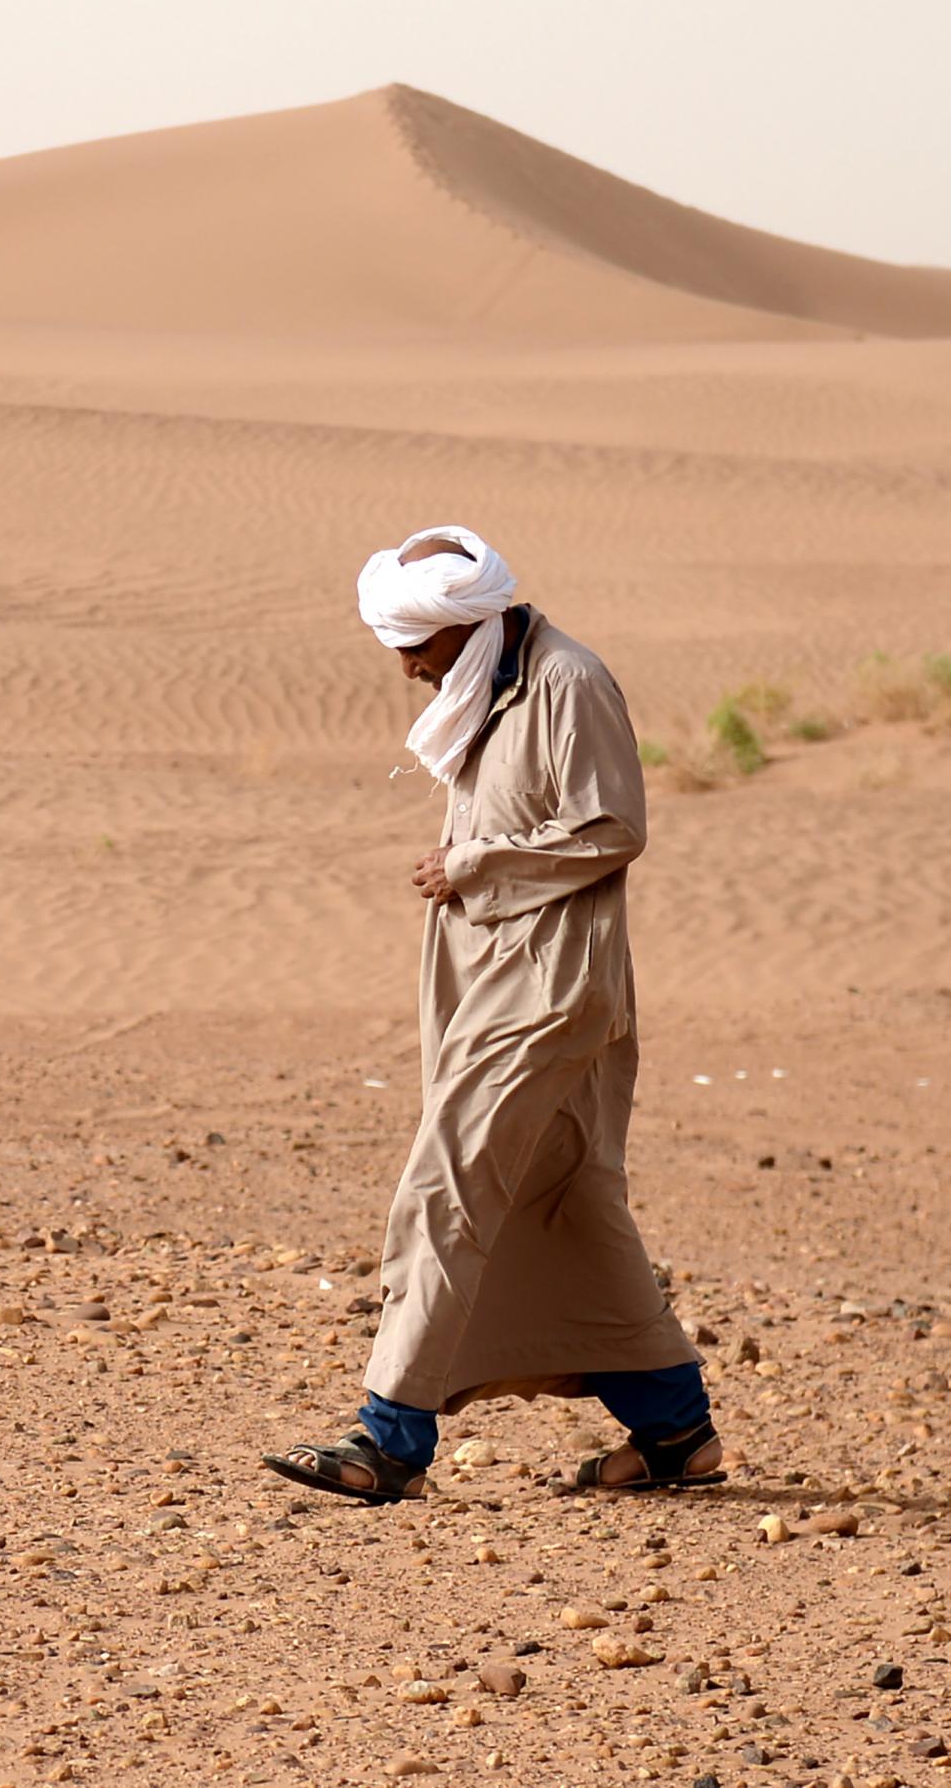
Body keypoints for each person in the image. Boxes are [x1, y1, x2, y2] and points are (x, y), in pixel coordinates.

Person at [262, 525, 725, 1503]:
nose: (404, 667)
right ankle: (675, 1430)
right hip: (498, 982)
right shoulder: (491, 685)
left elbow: (613, 828)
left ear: (468, 623)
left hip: (552, 990)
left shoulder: (567, 683)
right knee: (565, 1204)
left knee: (444, 1187)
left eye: (414, 644)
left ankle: (389, 1441)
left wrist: (474, 865)